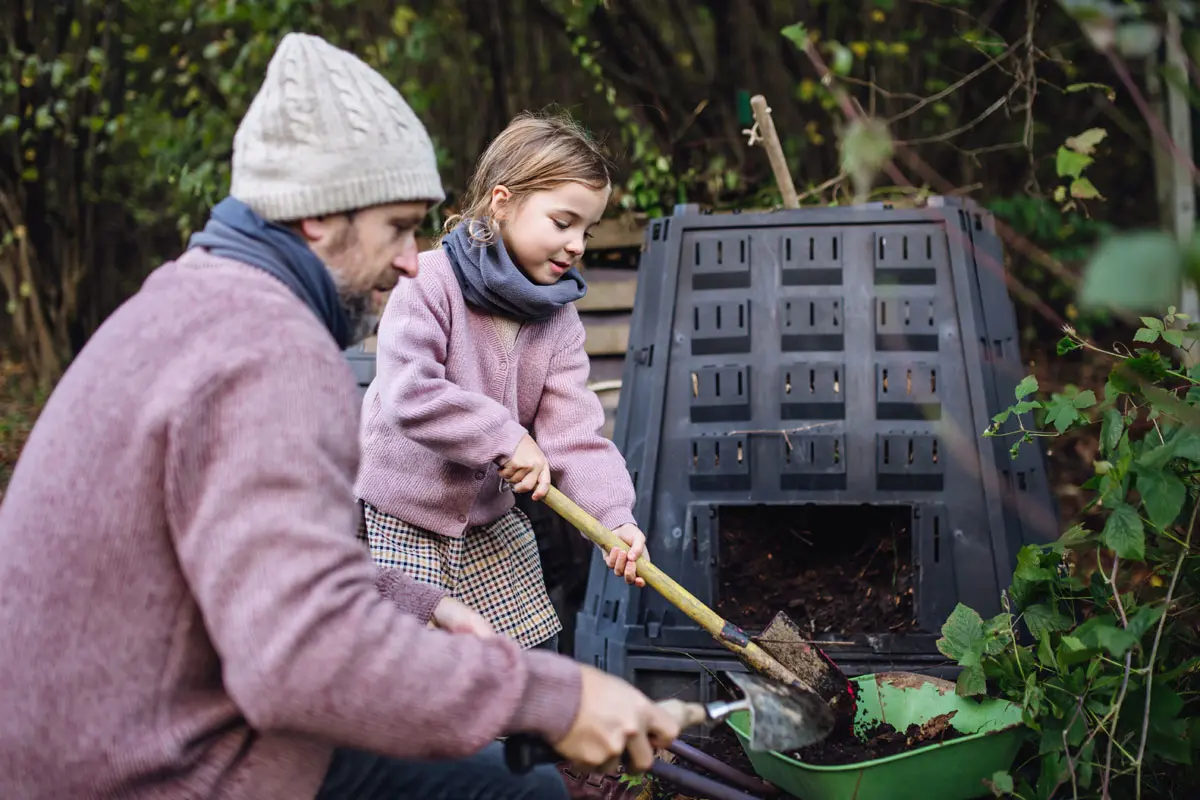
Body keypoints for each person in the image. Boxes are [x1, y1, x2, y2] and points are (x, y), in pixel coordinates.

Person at [0, 33, 679, 800]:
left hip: (140, 722)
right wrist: (556, 699)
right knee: (520, 792)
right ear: (318, 219)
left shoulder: (187, 303)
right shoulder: (273, 355)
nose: (410, 258)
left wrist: (412, 603)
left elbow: (257, 577)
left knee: (496, 773)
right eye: (396, 227)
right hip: (149, 768)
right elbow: (299, 660)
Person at [355, 112, 647, 653]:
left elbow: (573, 437)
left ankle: (532, 736)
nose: (578, 244)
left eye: (588, 229)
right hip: (401, 518)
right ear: (502, 202)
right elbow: (409, 394)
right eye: (563, 223)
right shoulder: (428, 283)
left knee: (528, 662)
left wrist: (614, 520)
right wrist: (506, 437)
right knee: (410, 669)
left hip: (486, 525)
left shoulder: (559, 318)